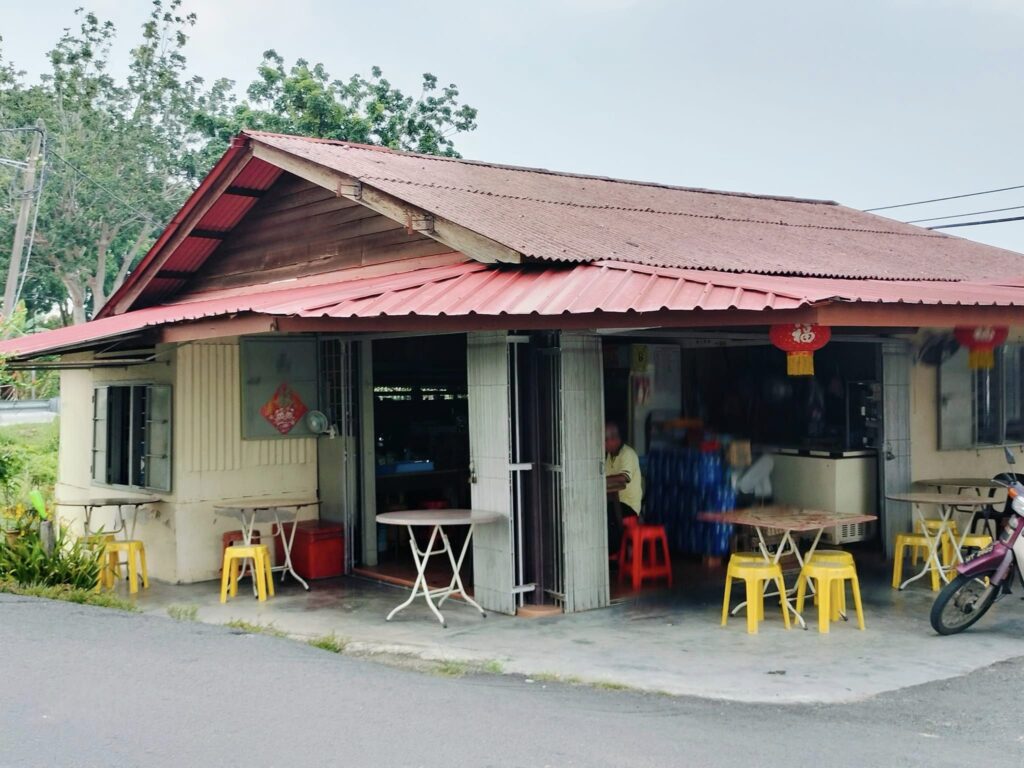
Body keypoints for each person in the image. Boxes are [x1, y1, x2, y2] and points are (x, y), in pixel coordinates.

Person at [605, 421, 643, 554]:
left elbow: (623, 478)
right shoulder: (610, 456)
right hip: (616, 502)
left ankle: (617, 551)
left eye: (605, 440)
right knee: (601, 511)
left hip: (629, 506)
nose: (603, 444)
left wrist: (600, 480)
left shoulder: (627, 453)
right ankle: (617, 551)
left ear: (614, 439)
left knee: (606, 513)